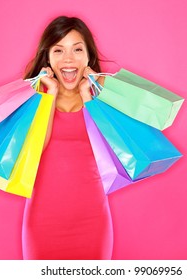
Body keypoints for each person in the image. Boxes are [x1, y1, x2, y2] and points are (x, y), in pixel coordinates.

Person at [21, 16, 113, 260]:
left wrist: (88, 98)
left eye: (78, 49)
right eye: (59, 50)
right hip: (42, 223)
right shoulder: (32, 96)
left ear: (88, 57)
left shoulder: (104, 97)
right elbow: (34, 151)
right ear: (48, 58)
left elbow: (111, 155)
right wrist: (48, 95)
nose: (69, 59)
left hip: (94, 223)